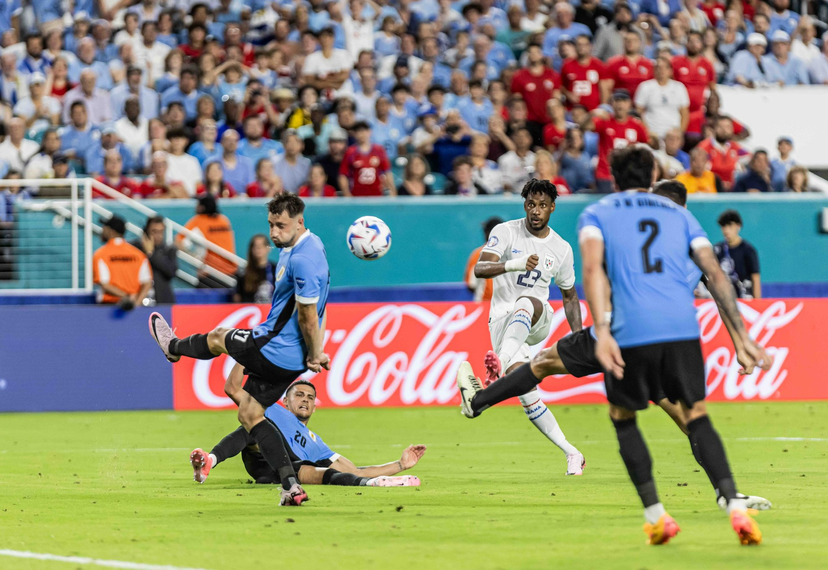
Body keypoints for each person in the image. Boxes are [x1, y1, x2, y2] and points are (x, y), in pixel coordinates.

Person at [456, 177, 773, 518]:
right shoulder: (689, 243)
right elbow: (720, 286)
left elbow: (595, 275)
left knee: (545, 367)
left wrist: (592, 331)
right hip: (669, 341)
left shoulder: (623, 227)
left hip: (622, 332)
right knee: (689, 418)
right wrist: (741, 342)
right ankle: (725, 494)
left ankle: (478, 401)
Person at [150, 193, 329, 506]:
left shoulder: (303, 259)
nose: (275, 232)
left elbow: (309, 316)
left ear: (300, 221)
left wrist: (316, 352)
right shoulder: (303, 247)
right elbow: (323, 308)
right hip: (289, 357)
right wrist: (315, 353)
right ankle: (290, 487)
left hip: (273, 346)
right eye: (271, 225)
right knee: (250, 413)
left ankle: (173, 347)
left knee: (219, 337)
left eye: (282, 225)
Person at [463, 179, 586, 474]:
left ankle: (497, 366)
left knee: (527, 301)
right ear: (524, 205)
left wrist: (579, 336)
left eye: (542, 205)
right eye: (531, 204)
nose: (536, 211)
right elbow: (481, 269)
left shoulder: (561, 249)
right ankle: (572, 452)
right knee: (527, 394)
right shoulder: (504, 232)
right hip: (503, 325)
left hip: (537, 318)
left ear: (552, 208)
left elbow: (569, 296)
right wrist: (515, 263)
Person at [190, 373, 423, 487]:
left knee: (320, 473)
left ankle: (375, 486)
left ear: (314, 406)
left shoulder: (316, 443)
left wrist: (400, 465)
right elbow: (232, 388)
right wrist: (243, 358)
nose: (305, 400)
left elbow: (354, 470)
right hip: (261, 458)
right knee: (254, 426)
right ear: (285, 401)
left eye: (310, 397)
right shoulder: (271, 409)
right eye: (299, 395)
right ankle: (210, 461)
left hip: (288, 470)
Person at [587, 89, 649, 193]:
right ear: (612, 103)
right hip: (605, 174)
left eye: (623, 101)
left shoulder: (637, 125)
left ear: (629, 103)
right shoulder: (604, 121)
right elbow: (584, 126)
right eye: (617, 100)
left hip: (628, 175)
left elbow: (648, 143)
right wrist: (592, 114)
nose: (620, 104)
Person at [178, 195, 238, 287]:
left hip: (210, 272)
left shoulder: (198, 220)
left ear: (202, 207)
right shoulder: (224, 220)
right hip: (232, 271)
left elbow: (178, 241)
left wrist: (196, 259)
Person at [93, 215, 152, 309]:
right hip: (133, 305)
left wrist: (126, 297)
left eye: (105, 227)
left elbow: (105, 284)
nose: (102, 230)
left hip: (108, 308)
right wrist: (136, 304)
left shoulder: (101, 254)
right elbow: (147, 283)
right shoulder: (138, 254)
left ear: (111, 231)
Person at [633, 58, 689, 139]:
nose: (661, 70)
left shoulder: (679, 87)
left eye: (665, 68)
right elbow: (638, 113)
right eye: (658, 67)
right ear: (654, 70)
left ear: (670, 71)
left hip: (672, 135)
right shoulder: (645, 87)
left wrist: (679, 133)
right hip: (652, 134)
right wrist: (647, 132)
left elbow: (685, 114)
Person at [339, 121, 395, 197]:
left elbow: (387, 171)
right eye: (358, 131)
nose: (361, 134)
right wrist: (346, 193)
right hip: (356, 196)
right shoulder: (350, 152)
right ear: (354, 134)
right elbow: (343, 174)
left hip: (376, 196)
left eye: (363, 130)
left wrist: (392, 190)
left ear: (369, 132)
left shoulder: (379, 151)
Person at [715, 209, 761, 299]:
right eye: (723, 226)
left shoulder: (748, 250)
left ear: (738, 226)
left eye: (730, 226)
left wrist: (758, 303)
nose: (726, 230)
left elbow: (755, 278)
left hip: (745, 299)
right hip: (725, 301)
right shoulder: (717, 250)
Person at [131, 215, 177, 305]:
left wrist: (151, 254)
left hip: (162, 301)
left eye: (161, 232)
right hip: (139, 300)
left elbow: (171, 272)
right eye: (154, 232)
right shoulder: (135, 249)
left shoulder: (169, 249)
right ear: (146, 231)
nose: (158, 236)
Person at [696, 116, 748, 190]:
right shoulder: (704, 147)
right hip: (710, 189)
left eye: (727, 127)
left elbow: (750, 160)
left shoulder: (736, 147)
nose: (724, 130)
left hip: (733, 190)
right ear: (714, 128)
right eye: (721, 127)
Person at [561, 34, 607, 112]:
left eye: (585, 45)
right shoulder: (567, 65)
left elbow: (604, 88)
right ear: (575, 47)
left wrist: (603, 107)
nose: (581, 47)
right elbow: (560, 85)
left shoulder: (598, 65)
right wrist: (568, 94)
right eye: (579, 44)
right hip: (572, 111)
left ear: (590, 46)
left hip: (593, 110)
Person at [465, 216, 503, 302]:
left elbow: (471, 285)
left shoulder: (478, 254)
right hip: (507, 307)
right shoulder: (513, 253)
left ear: (487, 233)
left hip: (484, 305)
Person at [234, 234, 276, 304]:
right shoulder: (244, 273)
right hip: (252, 311)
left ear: (268, 248)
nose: (258, 249)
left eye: (261, 246)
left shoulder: (276, 270)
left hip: (271, 311)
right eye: (255, 246)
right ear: (252, 249)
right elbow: (237, 297)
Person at [498, 127, 537, 194]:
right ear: (513, 139)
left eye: (525, 136)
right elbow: (501, 181)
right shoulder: (504, 159)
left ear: (530, 139)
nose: (521, 139)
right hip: (512, 195)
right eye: (518, 136)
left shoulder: (536, 158)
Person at [273, 130, 312, 194]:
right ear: (284, 144)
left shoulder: (306, 164)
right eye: (289, 141)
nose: (292, 145)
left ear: (302, 145)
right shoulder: (275, 162)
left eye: (296, 141)